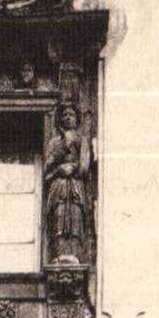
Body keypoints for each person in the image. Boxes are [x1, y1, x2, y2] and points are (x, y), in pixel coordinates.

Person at [44, 104, 91, 263]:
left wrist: (74, 168)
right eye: (65, 115)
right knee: (59, 215)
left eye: (72, 114)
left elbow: (85, 166)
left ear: (77, 119)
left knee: (75, 217)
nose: (68, 117)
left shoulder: (81, 140)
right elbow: (46, 168)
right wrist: (59, 168)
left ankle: (74, 255)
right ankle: (58, 254)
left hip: (75, 185)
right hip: (58, 185)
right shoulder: (54, 142)